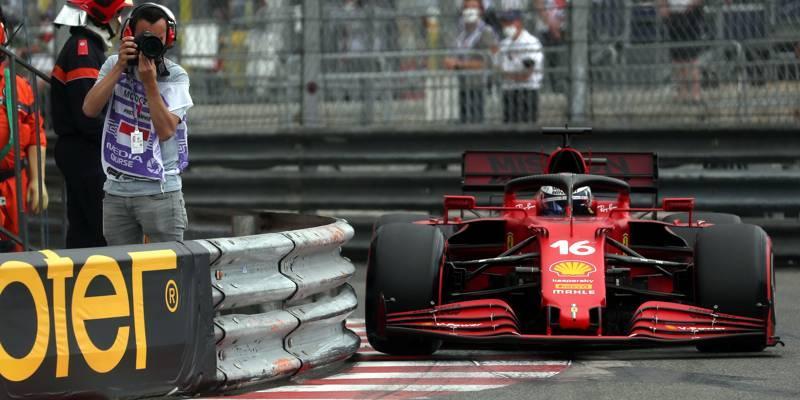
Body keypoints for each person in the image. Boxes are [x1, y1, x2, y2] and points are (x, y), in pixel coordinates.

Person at [82, 2, 192, 245]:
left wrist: (150, 83)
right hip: (117, 191)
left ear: (169, 39)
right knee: (121, 266)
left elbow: (166, 131)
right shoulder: (113, 65)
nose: (150, 44)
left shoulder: (175, 75)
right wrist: (120, 67)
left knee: (167, 265)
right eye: (144, 38)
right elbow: (89, 108)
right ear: (130, 35)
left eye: (158, 39)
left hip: (161, 192)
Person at [51, 0, 132, 249]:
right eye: (118, 13)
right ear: (103, 13)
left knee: (85, 232)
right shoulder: (83, 51)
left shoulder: (86, 48)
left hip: (84, 151)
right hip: (86, 154)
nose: (120, 21)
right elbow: (88, 116)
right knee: (101, 232)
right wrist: (121, 142)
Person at [0, 5, 48, 251]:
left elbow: (36, 135)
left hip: (14, 184)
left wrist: (38, 180)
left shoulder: (19, 86)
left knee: (16, 255)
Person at [443, 0, 498, 123]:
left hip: (479, 86)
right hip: (462, 85)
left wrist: (458, 64)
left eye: (473, 7)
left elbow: (486, 63)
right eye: (467, 7)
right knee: (464, 121)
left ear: (480, 11)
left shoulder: (486, 32)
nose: (469, 11)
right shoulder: (460, 32)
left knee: (476, 121)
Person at [496, 9, 544, 123]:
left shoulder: (530, 42)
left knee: (527, 126)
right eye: (504, 22)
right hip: (509, 91)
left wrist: (508, 75)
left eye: (510, 22)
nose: (506, 25)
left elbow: (526, 74)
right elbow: (497, 69)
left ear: (519, 22)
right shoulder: (504, 44)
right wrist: (509, 75)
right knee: (509, 127)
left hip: (527, 91)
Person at [658, 0, 704, 104]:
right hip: (673, 15)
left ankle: (695, 94)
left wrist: (690, 6)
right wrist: (663, 7)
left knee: (692, 58)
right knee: (677, 58)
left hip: (691, 14)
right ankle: (682, 93)